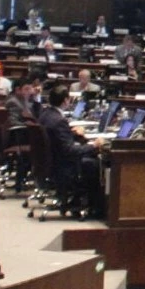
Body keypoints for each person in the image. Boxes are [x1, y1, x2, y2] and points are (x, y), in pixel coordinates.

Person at [39, 82, 106, 218]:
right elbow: (69, 150)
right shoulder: (59, 121)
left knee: (91, 158)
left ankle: (80, 201)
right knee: (96, 163)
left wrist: (72, 132)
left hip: (52, 162)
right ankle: (97, 208)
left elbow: (57, 137)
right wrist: (94, 145)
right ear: (65, 101)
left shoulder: (46, 114)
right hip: (63, 166)